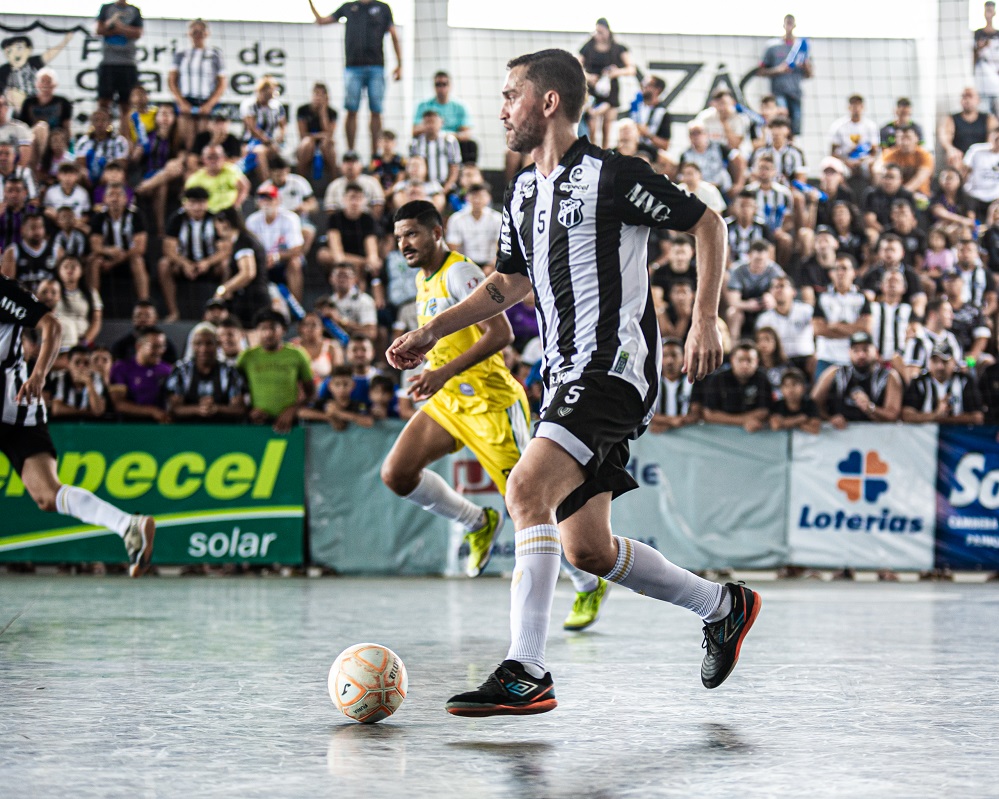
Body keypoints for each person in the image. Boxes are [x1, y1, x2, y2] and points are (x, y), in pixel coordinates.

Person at [387, 48, 758, 716]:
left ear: (548, 102)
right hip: (563, 372)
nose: (501, 109)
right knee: (585, 548)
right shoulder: (522, 189)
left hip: (610, 366)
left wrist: (704, 318)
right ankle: (721, 605)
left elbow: (707, 223)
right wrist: (431, 331)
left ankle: (526, 670)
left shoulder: (612, 176)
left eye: (510, 95)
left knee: (524, 486)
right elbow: (506, 283)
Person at [377, 199, 528, 575]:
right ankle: (478, 522)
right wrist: (422, 360)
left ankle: (586, 580)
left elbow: (501, 334)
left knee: (529, 501)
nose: (404, 244)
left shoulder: (459, 272)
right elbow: (447, 339)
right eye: (399, 237)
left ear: (437, 233)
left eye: (412, 234)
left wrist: (442, 374)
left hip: (490, 402)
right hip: (449, 402)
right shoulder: (422, 278)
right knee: (397, 473)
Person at [0, 274, 155, 575]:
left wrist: (40, 375)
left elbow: (52, 326)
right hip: (20, 408)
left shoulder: (3, 292)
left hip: (10, 398)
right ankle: (127, 525)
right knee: (47, 495)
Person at [310, 0, 402, 155]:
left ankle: (375, 153)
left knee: (376, 111)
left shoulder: (383, 8)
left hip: (376, 67)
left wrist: (400, 64)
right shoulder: (348, 7)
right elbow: (321, 20)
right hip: (353, 67)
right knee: (352, 110)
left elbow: (393, 35)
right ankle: (351, 152)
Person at [237, 309, 314, 433]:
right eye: (262, 329)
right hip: (256, 423)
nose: (268, 333)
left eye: (273, 328)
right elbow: (236, 390)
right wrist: (249, 410)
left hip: (290, 424)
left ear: (283, 330)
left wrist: (292, 410)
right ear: (256, 331)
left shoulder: (297, 354)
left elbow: (311, 393)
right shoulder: (247, 357)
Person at [158, 186, 227, 321]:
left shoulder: (215, 219)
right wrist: (184, 263)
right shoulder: (176, 219)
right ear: (185, 203)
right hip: (183, 263)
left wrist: (208, 262)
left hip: (209, 263)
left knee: (226, 265)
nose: (197, 207)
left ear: (207, 203)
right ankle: (173, 311)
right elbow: (168, 248)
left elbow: (224, 249)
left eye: (201, 203)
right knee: (163, 265)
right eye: (193, 203)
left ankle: (219, 309)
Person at [812, 331, 903, 428]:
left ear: (875, 352)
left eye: (865, 350)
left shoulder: (889, 376)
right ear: (849, 353)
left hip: (876, 436)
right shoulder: (834, 373)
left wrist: (870, 408)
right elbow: (813, 404)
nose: (861, 355)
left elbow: (893, 414)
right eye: (856, 350)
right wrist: (830, 419)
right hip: (840, 436)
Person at [165, 323, 246, 422]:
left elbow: (239, 409)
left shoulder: (230, 371)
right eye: (198, 343)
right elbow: (174, 408)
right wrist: (198, 409)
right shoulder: (180, 370)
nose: (203, 349)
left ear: (218, 344)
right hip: (186, 430)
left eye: (209, 343)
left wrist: (216, 408)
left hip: (222, 430)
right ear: (192, 346)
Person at [168, 19, 226, 149]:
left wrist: (209, 105)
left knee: (203, 141)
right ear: (189, 33)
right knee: (186, 142)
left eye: (201, 32)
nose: (198, 35)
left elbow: (222, 83)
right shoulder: (181, 53)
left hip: (206, 101)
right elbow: (172, 80)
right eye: (194, 32)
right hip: (186, 101)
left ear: (207, 33)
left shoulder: (215, 54)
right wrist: (181, 102)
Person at [578, 19, 635, 149]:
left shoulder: (618, 49)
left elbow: (631, 69)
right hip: (592, 90)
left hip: (611, 90)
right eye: (597, 32)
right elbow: (576, 66)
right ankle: (592, 150)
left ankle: (605, 151)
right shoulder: (588, 48)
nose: (599, 35)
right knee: (592, 121)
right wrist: (588, 77)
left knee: (607, 125)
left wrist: (615, 72)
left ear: (608, 32)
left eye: (602, 32)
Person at [88, 182, 149, 301]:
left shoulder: (136, 215)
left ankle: (144, 302)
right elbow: (95, 246)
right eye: (111, 195)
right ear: (105, 198)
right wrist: (108, 251)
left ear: (126, 199)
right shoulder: (99, 217)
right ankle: (95, 303)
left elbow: (140, 247)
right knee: (93, 260)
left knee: (138, 260)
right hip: (107, 258)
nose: (115, 199)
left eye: (119, 195)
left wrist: (116, 261)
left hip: (128, 257)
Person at [813, 254, 872, 378]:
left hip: (853, 359)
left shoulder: (861, 297)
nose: (840, 272)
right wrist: (852, 329)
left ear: (854, 273)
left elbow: (866, 329)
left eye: (844, 268)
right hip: (826, 357)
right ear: (831, 274)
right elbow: (818, 329)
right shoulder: (822, 297)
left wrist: (834, 326)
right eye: (836, 269)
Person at [212, 207, 271, 330]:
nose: (216, 228)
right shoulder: (242, 240)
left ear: (226, 223)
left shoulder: (243, 242)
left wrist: (222, 290)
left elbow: (248, 273)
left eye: (217, 224)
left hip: (252, 301)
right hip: (250, 299)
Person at [246, 184, 305, 302]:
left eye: (269, 199)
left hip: (283, 261)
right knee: (246, 263)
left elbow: (297, 249)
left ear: (278, 200)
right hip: (261, 261)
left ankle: (297, 308)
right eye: (262, 199)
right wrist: (262, 259)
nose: (266, 203)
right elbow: (248, 247)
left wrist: (276, 257)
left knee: (295, 263)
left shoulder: (290, 218)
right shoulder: (252, 220)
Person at [902, 341, 984, 425]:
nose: (940, 366)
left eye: (945, 361)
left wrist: (941, 418)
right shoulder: (919, 382)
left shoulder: (965, 381)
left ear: (954, 362)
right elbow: (906, 415)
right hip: (925, 435)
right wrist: (936, 415)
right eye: (935, 361)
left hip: (959, 435)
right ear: (929, 362)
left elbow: (977, 417)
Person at [95, 0, 144, 137]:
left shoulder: (134, 10)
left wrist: (116, 27)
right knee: (103, 103)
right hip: (108, 63)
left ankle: (124, 139)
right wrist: (124, 30)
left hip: (128, 64)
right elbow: (99, 30)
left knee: (126, 105)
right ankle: (100, 136)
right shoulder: (106, 8)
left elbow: (138, 33)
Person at [701, 340, 773, 431]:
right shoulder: (718, 378)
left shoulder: (762, 378)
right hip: (721, 432)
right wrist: (743, 421)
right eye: (741, 360)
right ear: (732, 360)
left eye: (749, 360)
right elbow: (709, 414)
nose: (745, 365)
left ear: (757, 362)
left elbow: (764, 411)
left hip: (753, 432)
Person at [758, 14, 812, 136]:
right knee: (781, 118)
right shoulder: (772, 46)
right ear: (783, 25)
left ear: (794, 25)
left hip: (795, 93)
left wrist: (806, 66)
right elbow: (760, 71)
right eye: (787, 23)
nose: (789, 26)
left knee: (795, 126)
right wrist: (779, 70)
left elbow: (809, 75)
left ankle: (789, 146)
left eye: (791, 23)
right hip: (778, 92)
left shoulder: (802, 47)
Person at [109, 327, 172, 421]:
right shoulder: (121, 368)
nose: (159, 351)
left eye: (162, 346)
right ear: (139, 346)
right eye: (154, 346)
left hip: (159, 428)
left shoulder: (168, 370)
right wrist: (151, 411)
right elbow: (119, 404)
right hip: (129, 427)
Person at [754, 274, 815, 372]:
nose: (779, 289)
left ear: (793, 292)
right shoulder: (764, 319)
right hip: (779, 361)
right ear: (770, 292)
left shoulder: (806, 311)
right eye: (775, 287)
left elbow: (820, 332)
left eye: (782, 286)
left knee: (816, 359)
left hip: (805, 358)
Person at [725, 239, 784, 339]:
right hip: (744, 307)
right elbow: (733, 301)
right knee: (733, 313)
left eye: (763, 261)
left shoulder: (774, 270)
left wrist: (773, 300)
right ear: (749, 256)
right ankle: (734, 346)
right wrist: (748, 305)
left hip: (766, 307)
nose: (760, 264)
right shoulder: (738, 270)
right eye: (757, 260)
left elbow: (785, 292)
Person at [414, 71, 476, 164]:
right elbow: (414, 130)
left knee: (471, 145)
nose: (441, 88)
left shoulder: (460, 107)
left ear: (450, 86)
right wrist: (433, 130)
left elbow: (467, 132)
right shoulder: (423, 105)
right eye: (438, 84)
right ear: (434, 86)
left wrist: (448, 135)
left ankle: (466, 173)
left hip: (453, 141)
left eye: (444, 84)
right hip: (429, 141)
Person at [18, 68, 73, 165]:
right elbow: (23, 127)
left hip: (56, 139)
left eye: (49, 81)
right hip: (34, 139)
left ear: (54, 85)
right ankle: (42, 164)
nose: (46, 84)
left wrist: (68, 145)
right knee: (41, 128)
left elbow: (66, 126)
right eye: (43, 81)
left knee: (52, 135)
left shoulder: (63, 102)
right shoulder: (28, 102)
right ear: (37, 84)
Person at [938, 87, 998, 172]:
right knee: (953, 157)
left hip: (981, 156)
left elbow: (992, 142)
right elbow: (945, 140)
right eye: (964, 96)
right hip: (960, 157)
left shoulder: (989, 119)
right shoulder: (951, 119)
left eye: (970, 96)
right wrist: (951, 150)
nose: (967, 99)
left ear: (978, 100)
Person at [444, 183, 502, 270]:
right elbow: (453, 248)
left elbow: (501, 246)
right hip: (464, 265)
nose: (477, 200)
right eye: (474, 196)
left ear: (489, 198)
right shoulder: (456, 219)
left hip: (491, 265)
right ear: (467, 198)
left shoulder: (497, 218)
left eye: (481, 196)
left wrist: (492, 265)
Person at [0, 210, 59, 294]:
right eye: (33, 227)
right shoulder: (12, 251)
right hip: (24, 301)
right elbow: (6, 286)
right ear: (22, 230)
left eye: (40, 227)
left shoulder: (56, 250)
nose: (37, 232)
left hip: (50, 300)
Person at [240, 76, 286, 182]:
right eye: (266, 93)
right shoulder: (249, 105)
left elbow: (283, 125)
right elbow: (252, 128)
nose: (268, 97)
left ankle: (280, 181)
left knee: (281, 153)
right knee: (260, 152)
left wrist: (281, 136)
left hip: (272, 143)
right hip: (251, 142)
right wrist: (268, 141)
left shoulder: (277, 106)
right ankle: (266, 184)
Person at [649, 338, 699, 433]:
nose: (669, 360)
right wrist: (671, 421)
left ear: (683, 357)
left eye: (674, 355)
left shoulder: (693, 382)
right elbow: (645, 413)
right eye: (665, 355)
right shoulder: (651, 383)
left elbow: (696, 414)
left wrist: (666, 424)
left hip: (686, 436)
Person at [184, 144, 250, 214]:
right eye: (210, 157)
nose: (213, 160)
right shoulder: (196, 178)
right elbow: (186, 199)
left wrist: (235, 205)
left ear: (223, 158)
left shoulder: (231, 170)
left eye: (216, 157)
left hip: (230, 214)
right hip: (206, 215)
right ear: (203, 159)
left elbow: (244, 187)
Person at [53, 254, 102, 350]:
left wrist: (84, 342)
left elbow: (96, 321)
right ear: (59, 271)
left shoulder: (91, 293)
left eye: (73, 267)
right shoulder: (52, 292)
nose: (69, 270)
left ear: (81, 271)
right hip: (57, 341)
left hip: (82, 341)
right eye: (65, 267)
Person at [49, 345, 109, 420]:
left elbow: (98, 411)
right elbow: (57, 410)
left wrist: (89, 384)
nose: (81, 366)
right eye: (77, 362)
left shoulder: (97, 379)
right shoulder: (59, 380)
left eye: (86, 363)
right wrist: (86, 413)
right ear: (69, 364)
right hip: (65, 427)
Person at [409, 110, 460, 196]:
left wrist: (446, 188)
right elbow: (413, 168)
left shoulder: (449, 141)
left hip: (444, 185)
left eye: (433, 122)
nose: (430, 125)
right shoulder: (416, 143)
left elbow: (454, 167)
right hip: (423, 186)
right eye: (427, 122)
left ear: (441, 123)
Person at [829, 95, 879, 179]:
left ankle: (873, 191)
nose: (856, 109)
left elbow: (874, 151)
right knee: (834, 168)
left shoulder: (871, 126)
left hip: (864, 161)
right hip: (845, 161)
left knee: (873, 167)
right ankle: (846, 191)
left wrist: (861, 161)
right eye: (853, 105)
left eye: (858, 105)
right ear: (849, 107)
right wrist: (846, 161)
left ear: (863, 107)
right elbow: (833, 153)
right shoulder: (838, 126)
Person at [296, 82, 338, 179]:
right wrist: (321, 135)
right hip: (308, 144)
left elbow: (329, 135)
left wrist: (323, 113)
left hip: (323, 144)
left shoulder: (332, 112)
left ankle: (334, 181)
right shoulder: (302, 110)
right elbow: (303, 135)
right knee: (307, 143)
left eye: (322, 94)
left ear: (326, 97)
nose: (318, 97)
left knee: (327, 144)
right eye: (316, 94)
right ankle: (300, 180)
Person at [629, 75, 672, 160]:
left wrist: (647, 134)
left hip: (651, 154)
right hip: (631, 150)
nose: (643, 87)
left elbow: (665, 145)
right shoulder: (635, 108)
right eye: (643, 84)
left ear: (657, 89)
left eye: (648, 84)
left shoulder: (662, 113)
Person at [769, 368, 821, 433]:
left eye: (794, 384)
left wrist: (785, 422)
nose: (791, 390)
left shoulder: (810, 404)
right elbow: (776, 425)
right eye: (786, 386)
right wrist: (800, 420)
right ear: (781, 389)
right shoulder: (778, 405)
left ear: (803, 388)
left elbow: (814, 429)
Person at [975, 2, 999, 118]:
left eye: (990, 10)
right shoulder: (978, 33)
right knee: (985, 114)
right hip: (982, 81)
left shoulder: (998, 34)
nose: (988, 13)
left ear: (994, 13)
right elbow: (974, 55)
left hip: (995, 81)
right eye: (986, 10)